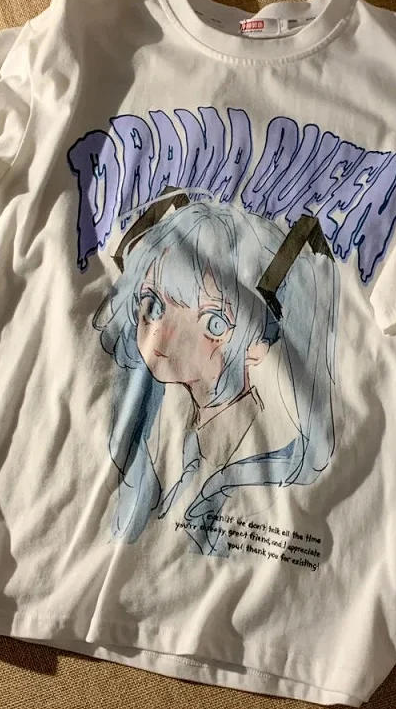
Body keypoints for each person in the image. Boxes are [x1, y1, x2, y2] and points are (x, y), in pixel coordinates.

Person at [92, 188, 340, 556]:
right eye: (154, 303)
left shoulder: (260, 463)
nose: (163, 335)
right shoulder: (157, 427)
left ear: (258, 346)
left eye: (212, 322)